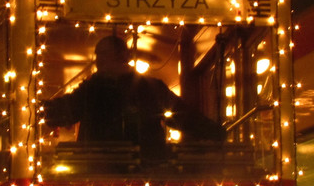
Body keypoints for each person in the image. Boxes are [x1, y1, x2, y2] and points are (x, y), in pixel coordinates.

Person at [42, 35, 223, 160]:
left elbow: (65, 111)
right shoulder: (150, 87)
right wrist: (214, 133)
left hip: (98, 169)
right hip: (145, 169)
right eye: (99, 55)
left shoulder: (90, 90)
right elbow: (182, 116)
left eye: (104, 55)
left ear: (122, 56)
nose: (99, 60)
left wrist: (39, 110)